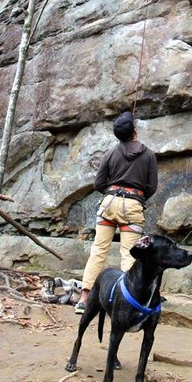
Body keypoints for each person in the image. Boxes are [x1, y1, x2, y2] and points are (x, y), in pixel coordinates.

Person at [74, 111, 158, 314]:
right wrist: (136, 197)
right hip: (132, 205)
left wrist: (113, 193)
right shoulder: (148, 155)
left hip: (108, 203)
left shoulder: (110, 153)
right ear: (134, 131)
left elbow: (98, 183)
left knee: (98, 250)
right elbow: (152, 186)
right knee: (130, 252)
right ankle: (127, 301)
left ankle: (84, 299)